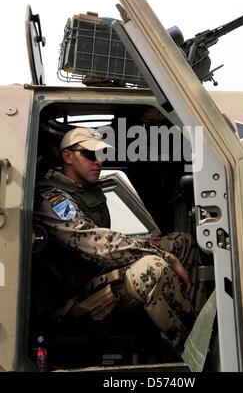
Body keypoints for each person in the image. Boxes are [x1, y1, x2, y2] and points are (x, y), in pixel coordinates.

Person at [34, 127, 206, 352]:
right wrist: (161, 254)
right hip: (74, 299)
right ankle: (194, 351)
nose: (98, 161)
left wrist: (157, 248)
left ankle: (200, 326)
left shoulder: (86, 189)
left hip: (97, 277)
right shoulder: (52, 198)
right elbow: (96, 241)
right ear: (67, 156)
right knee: (152, 268)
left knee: (181, 243)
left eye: (101, 155)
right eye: (89, 154)